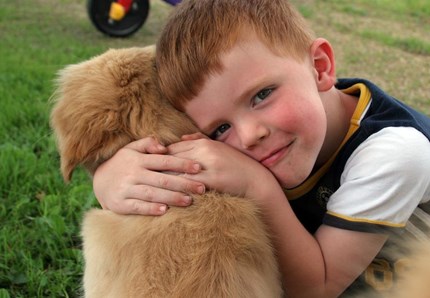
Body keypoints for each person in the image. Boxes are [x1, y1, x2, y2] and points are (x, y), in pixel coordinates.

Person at [92, 0, 430, 296]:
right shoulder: (291, 130)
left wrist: (258, 185)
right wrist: (110, 176)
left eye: (262, 95)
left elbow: (316, 288)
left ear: (320, 67)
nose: (249, 135)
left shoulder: (396, 153)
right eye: (220, 128)